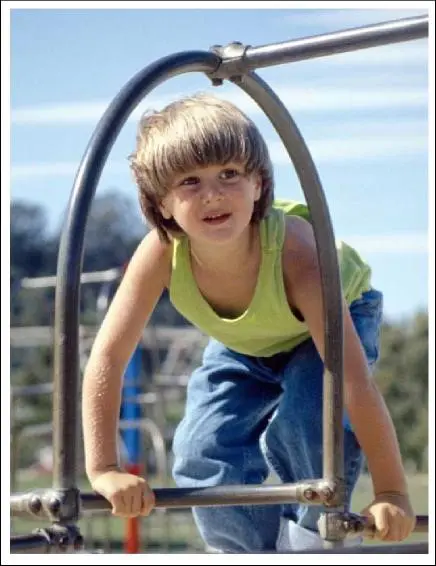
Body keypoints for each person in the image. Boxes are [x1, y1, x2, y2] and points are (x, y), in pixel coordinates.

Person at [81, 93, 416, 553]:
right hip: (243, 343)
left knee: (308, 413)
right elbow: (108, 357)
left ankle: (315, 536)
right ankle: (244, 551)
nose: (213, 193)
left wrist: (392, 491)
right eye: (190, 181)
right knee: (202, 447)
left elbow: (353, 385)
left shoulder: (299, 254)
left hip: (326, 327)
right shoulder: (161, 253)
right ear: (161, 203)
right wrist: (104, 467)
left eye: (229, 174)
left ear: (259, 183)